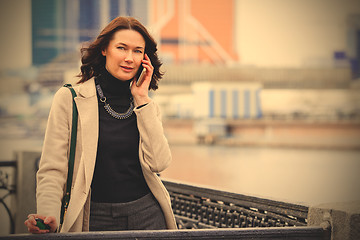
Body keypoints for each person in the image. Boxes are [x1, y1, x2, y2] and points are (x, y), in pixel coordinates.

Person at [24, 16, 177, 233]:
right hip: (93, 217)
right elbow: (52, 169)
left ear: (145, 58)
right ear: (104, 49)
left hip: (147, 215)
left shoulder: (146, 105)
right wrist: (49, 213)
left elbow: (159, 163)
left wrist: (142, 99)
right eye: (122, 48)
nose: (129, 58)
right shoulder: (69, 99)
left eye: (137, 51)